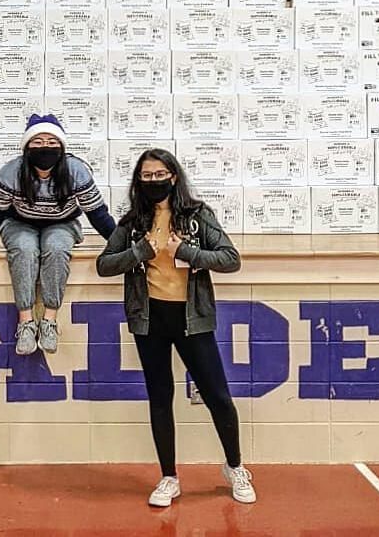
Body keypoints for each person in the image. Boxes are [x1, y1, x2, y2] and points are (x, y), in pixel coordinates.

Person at [96, 148, 256, 506]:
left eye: (160, 175)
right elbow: (104, 265)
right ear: (138, 180)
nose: (154, 181)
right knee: (160, 397)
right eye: (147, 176)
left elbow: (230, 259)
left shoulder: (197, 215)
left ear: (173, 176)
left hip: (192, 318)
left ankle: (235, 467)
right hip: (149, 319)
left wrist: (187, 253)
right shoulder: (132, 222)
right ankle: (169, 477)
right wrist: (140, 252)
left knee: (217, 396)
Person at [0, 114, 115, 355]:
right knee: (25, 248)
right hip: (18, 222)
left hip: (62, 223)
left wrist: (122, 245)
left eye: (52, 142)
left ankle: (49, 320)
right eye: (37, 142)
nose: (45, 147)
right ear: (26, 146)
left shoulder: (76, 171)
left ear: (62, 146)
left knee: (56, 247)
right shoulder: (11, 172)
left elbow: (98, 214)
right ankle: (26, 322)